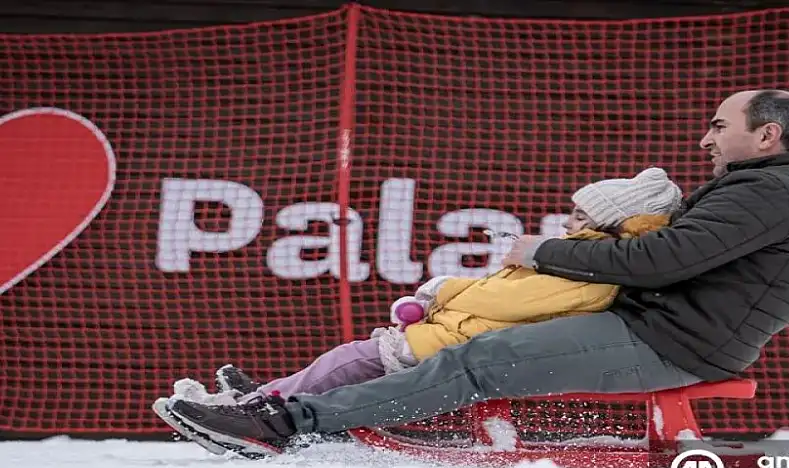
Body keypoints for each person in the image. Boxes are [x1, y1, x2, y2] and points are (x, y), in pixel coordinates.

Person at [163, 88, 789, 458]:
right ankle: (275, 403)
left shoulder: (770, 192)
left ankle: (289, 421)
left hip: (672, 343)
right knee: (467, 338)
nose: (707, 138)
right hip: (654, 325)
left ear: (768, 135)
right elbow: (665, 254)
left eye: (720, 125)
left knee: (482, 358)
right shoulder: (769, 186)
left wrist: (543, 252)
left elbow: (658, 259)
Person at [154, 167, 684, 452]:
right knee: (343, 363)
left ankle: (251, 412)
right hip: (450, 337)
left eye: (580, 216)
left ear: (610, 226)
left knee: (344, 363)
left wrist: (443, 289)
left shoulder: (589, 275)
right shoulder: (576, 261)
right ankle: (259, 402)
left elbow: (499, 298)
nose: (567, 222)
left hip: (449, 347)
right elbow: (502, 295)